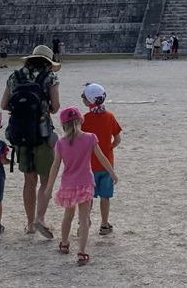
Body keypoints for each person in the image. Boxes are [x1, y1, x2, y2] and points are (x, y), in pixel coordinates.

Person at [45, 106, 118, 266]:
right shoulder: (90, 138)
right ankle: (82, 252)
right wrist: (112, 172)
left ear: (63, 125)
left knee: (68, 216)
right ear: (80, 121)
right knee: (84, 219)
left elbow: (55, 166)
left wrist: (49, 187)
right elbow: (102, 157)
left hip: (68, 185)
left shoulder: (61, 143)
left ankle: (64, 243)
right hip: (85, 183)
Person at [0, 44, 60, 237]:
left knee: (29, 180)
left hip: (20, 134)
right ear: (48, 62)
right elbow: (56, 107)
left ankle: (30, 224)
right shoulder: (50, 77)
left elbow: (3, 104)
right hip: (42, 132)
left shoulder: (14, 77)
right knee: (45, 180)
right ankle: (40, 217)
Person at [80, 83, 122, 236]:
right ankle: (104, 224)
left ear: (88, 101)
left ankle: (84, 222)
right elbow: (117, 139)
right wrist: (109, 148)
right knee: (105, 196)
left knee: (88, 196)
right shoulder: (110, 116)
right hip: (107, 164)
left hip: (89, 165)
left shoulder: (84, 119)